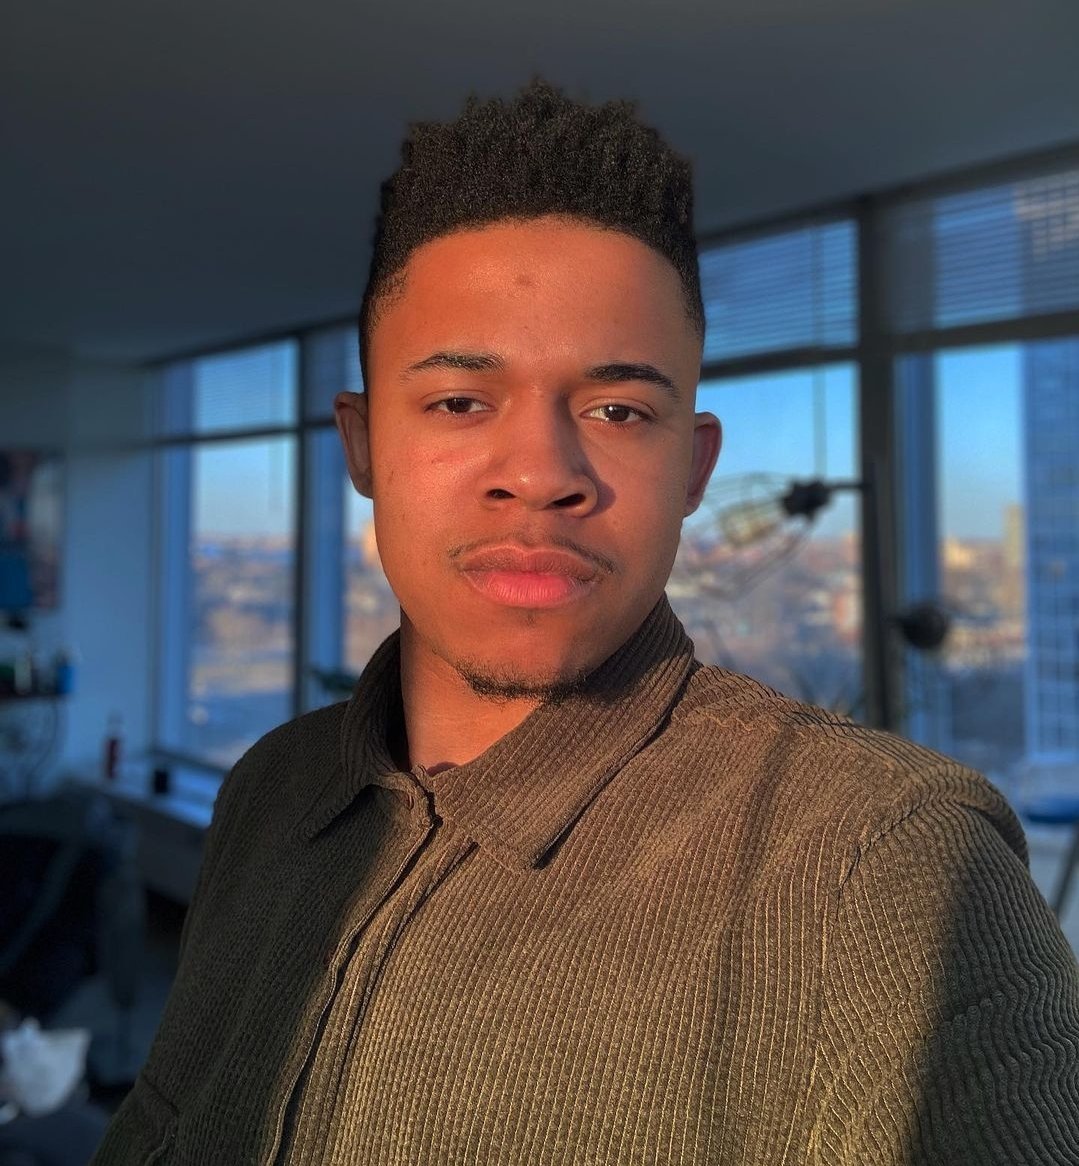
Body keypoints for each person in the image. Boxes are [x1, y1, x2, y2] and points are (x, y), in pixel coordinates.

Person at [92, 82, 1079, 1165]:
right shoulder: (268, 792)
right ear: (363, 445)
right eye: (459, 401)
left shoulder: (883, 871)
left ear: (692, 467)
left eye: (617, 410)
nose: (539, 474)